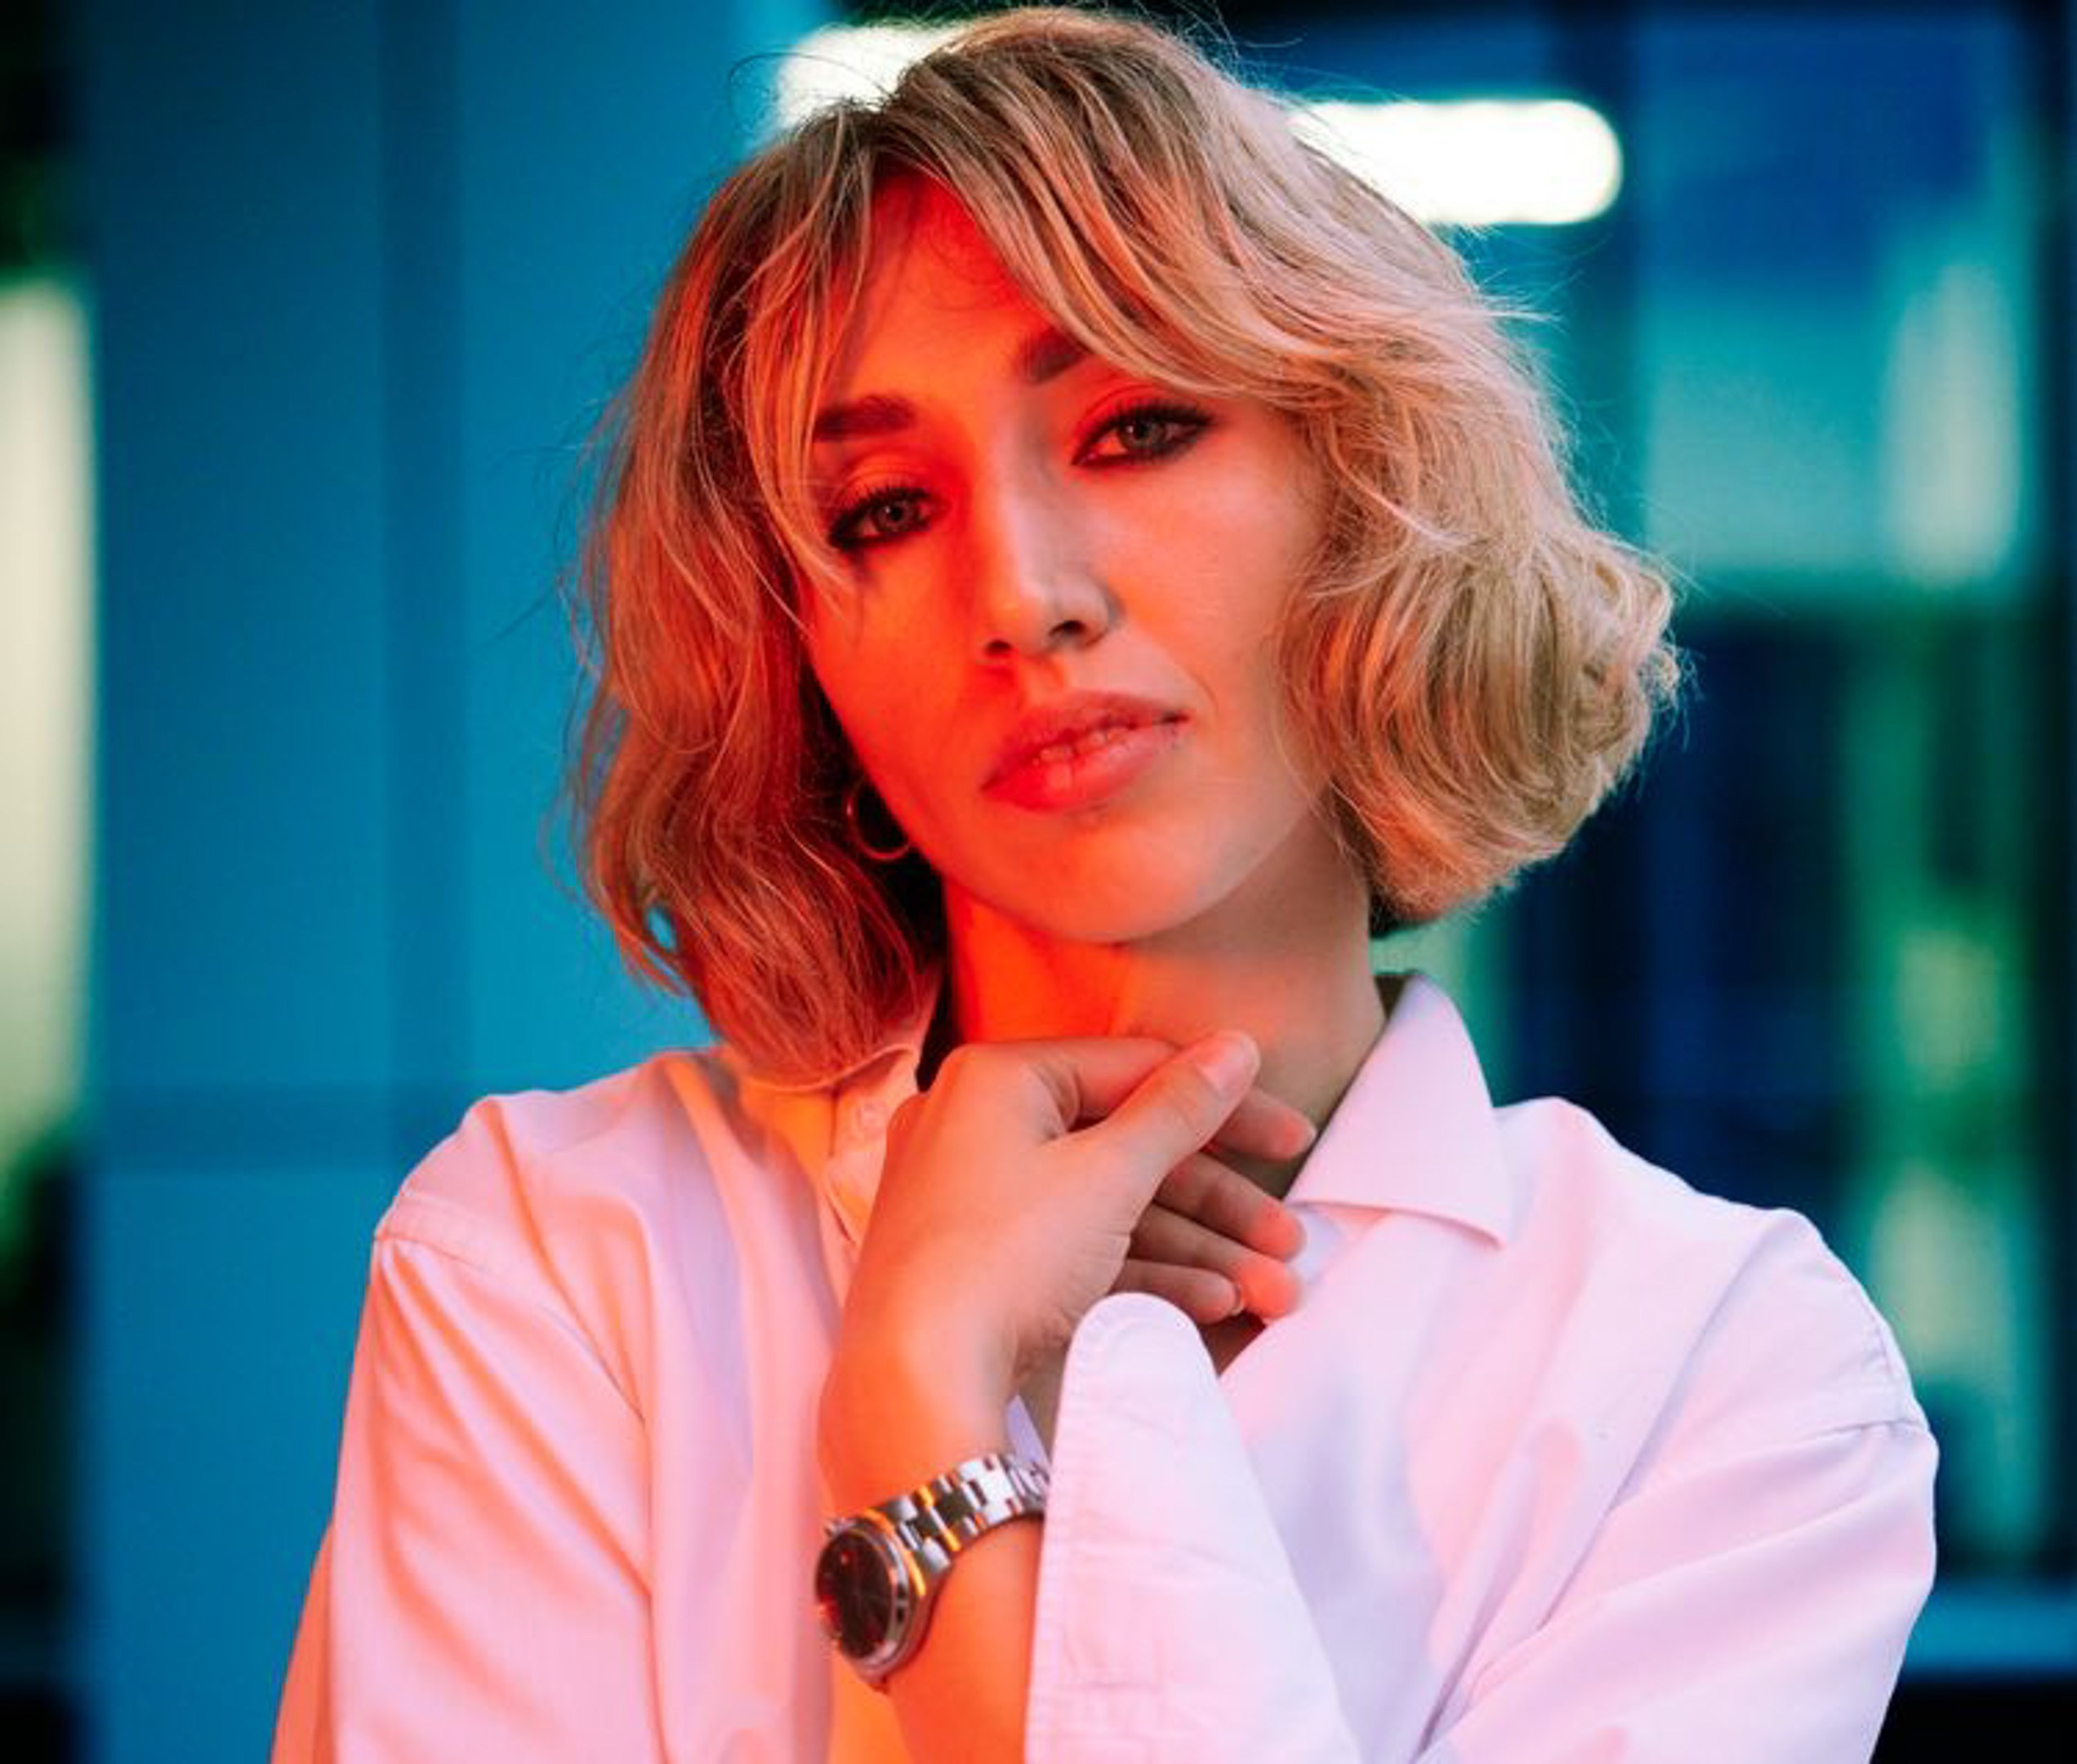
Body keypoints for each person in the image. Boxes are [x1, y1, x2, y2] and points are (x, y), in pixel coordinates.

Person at [271, 9, 1937, 1760]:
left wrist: (924, 1432)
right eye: (882, 514)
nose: (1024, 595)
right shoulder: (562, 1261)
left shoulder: (1717, 1370)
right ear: (802, 662)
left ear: (1363, 497)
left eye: (1135, 429)